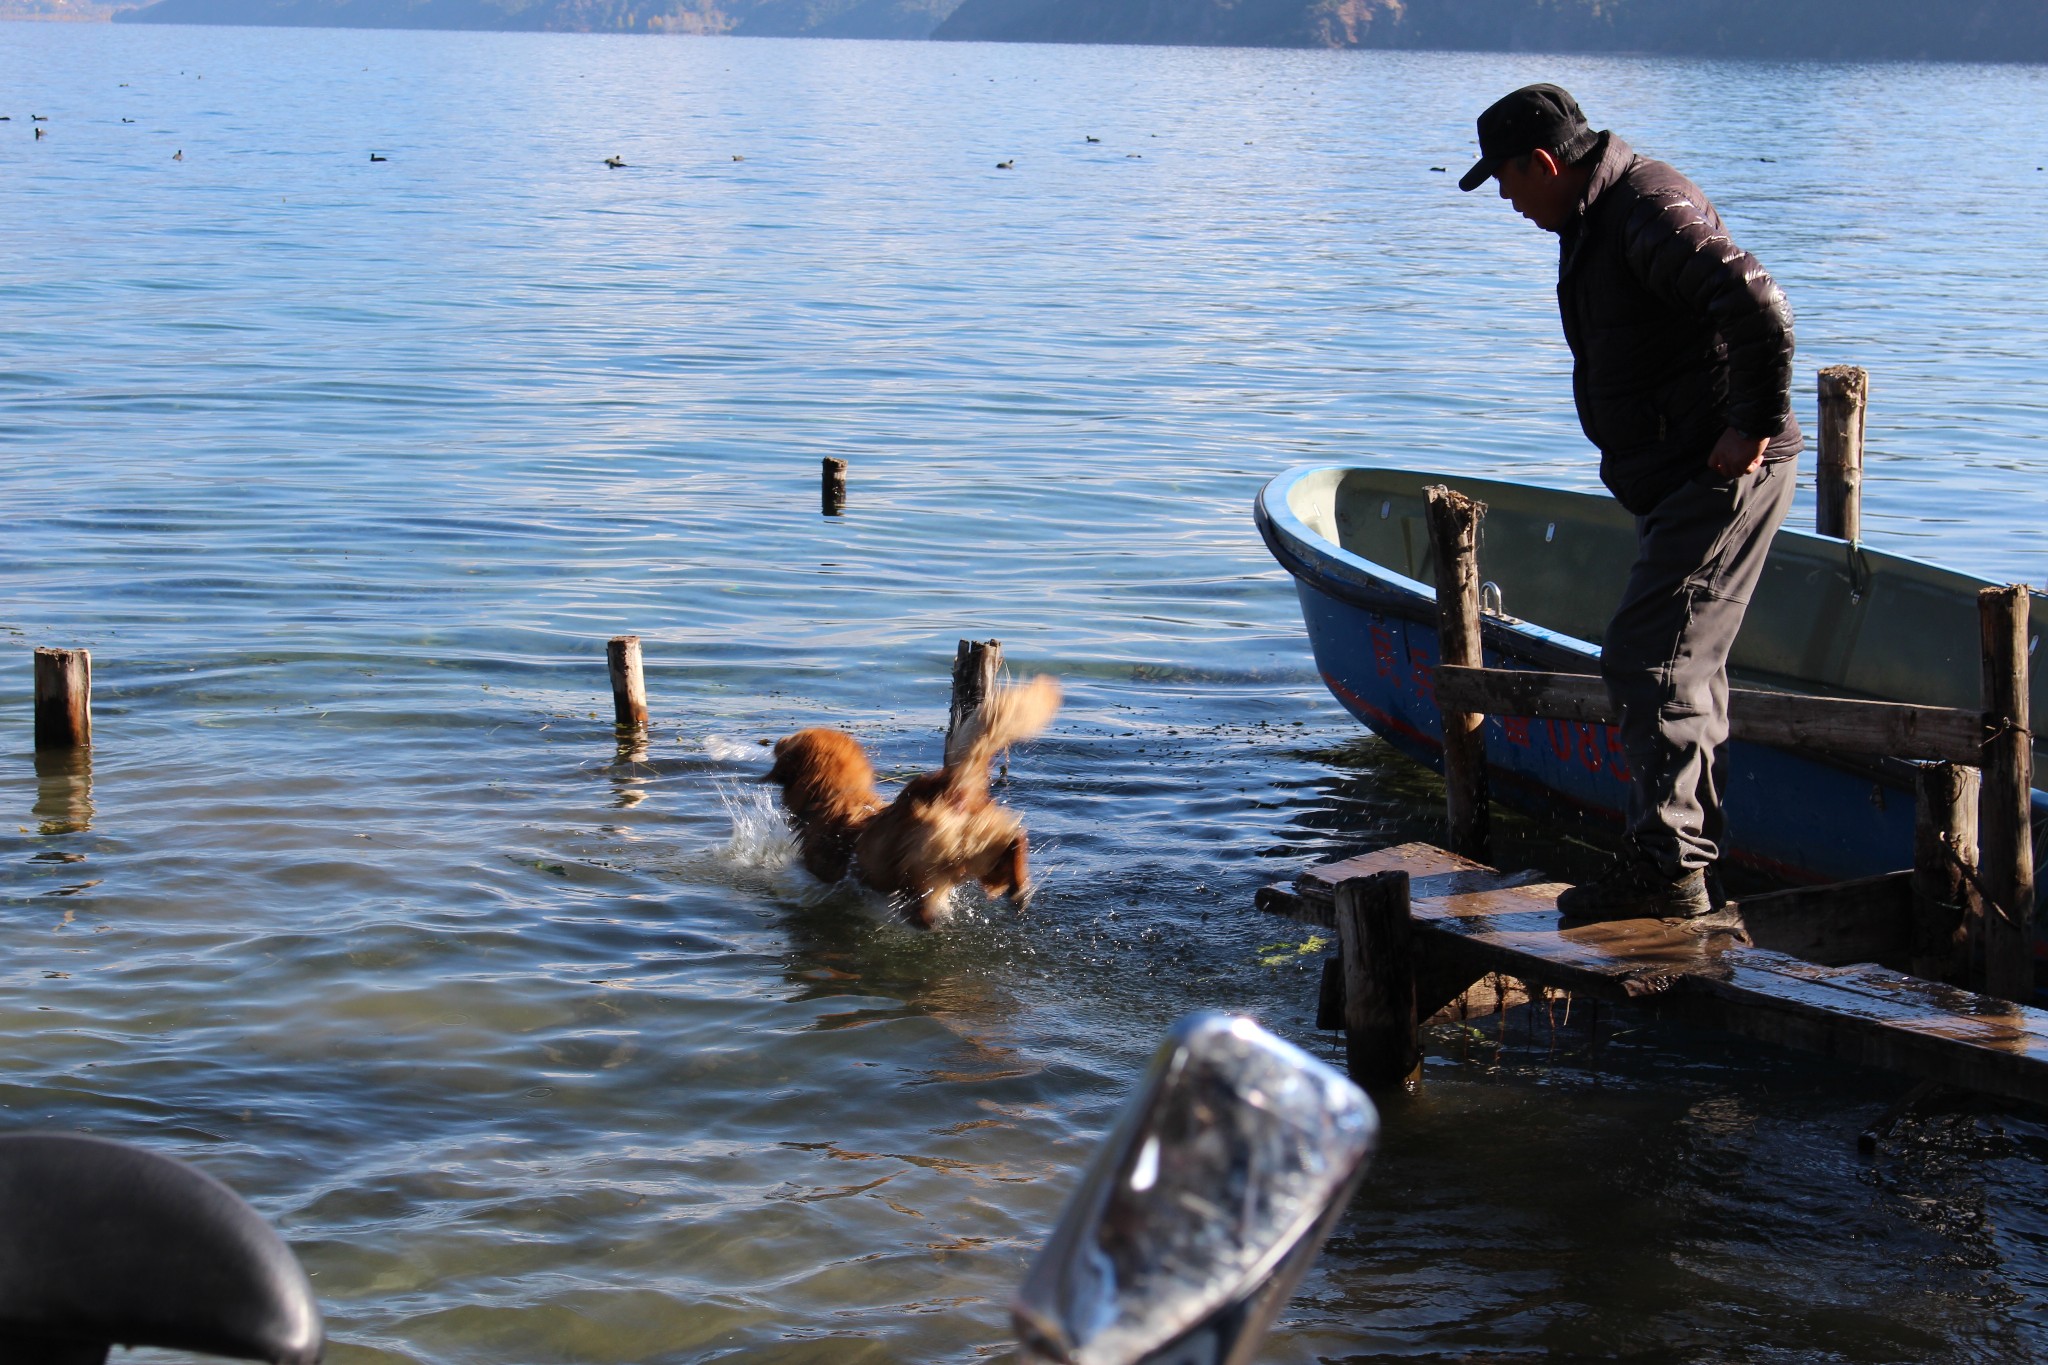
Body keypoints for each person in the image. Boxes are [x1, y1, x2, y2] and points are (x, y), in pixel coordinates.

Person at [1458, 84, 1801, 919]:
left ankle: (1668, 869)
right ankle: (1683, 855)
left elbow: (1757, 303)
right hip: (1682, 471)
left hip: (1719, 472)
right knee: (1685, 666)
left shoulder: (1647, 206)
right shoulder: (1598, 214)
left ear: (1545, 163)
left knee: (1649, 657)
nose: (1506, 202)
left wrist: (1750, 426)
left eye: (1506, 182)